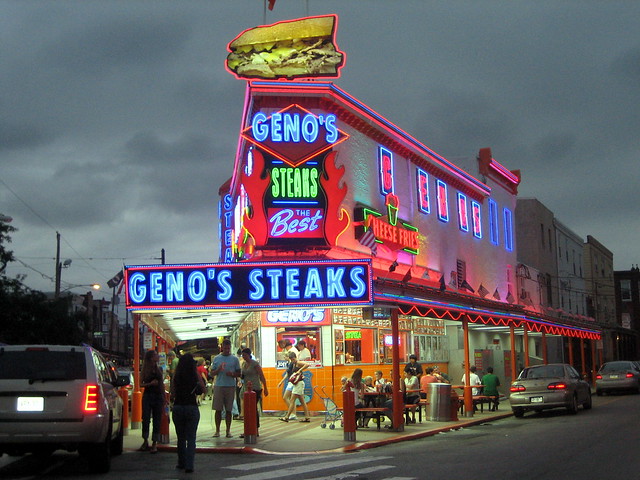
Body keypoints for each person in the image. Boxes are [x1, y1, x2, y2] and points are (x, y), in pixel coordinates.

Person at [170, 353, 204, 473]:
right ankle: (189, 465)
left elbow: (172, 394)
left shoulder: (176, 375)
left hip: (178, 407)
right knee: (191, 438)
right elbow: (203, 389)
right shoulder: (194, 375)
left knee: (181, 438)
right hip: (191, 407)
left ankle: (181, 462)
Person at [211, 339, 241, 438]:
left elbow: (239, 373)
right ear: (222, 347)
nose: (227, 350)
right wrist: (219, 369)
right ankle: (217, 430)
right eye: (225, 348)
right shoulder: (216, 359)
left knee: (229, 410)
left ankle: (228, 431)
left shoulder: (235, 359)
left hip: (230, 386)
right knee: (218, 409)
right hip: (219, 385)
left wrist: (232, 374)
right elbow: (211, 373)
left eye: (228, 348)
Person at [139, 350, 165, 453]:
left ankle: (154, 442)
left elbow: (161, 384)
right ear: (151, 358)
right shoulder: (145, 370)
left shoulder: (159, 369)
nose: (158, 356)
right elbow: (140, 384)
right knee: (145, 418)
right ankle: (145, 440)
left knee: (157, 419)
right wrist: (150, 384)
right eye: (155, 355)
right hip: (148, 395)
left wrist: (164, 397)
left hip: (158, 395)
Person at [239, 347, 269, 437]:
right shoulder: (244, 364)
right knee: (247, 409)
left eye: (245, 355)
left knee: (253, 409)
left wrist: (266, 388)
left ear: (249, 355)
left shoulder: (255, 364)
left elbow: (261, 376)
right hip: (246, 388)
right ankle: (248, 430)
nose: (243, 357)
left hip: (255, 388)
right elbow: (242, 376)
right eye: (242, 355)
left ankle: (256, 429)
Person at [279, 351, 310, 423]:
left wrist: (299, 370)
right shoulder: (293, 364)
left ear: (295, 357)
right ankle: (307, 417)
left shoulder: (298, 362)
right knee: (302, 401)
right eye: (291, 359)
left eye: (293, 359)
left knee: (292, 400)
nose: (293, 360)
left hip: (299, 383)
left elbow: (307, 364)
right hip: (298, 383)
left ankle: (287, 417)